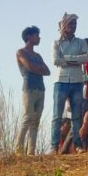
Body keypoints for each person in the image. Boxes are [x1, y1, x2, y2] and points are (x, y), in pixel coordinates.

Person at [51, 13, 88, 153]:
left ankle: (78, 145)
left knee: (77, 115)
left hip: (77, 81)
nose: (73, 27)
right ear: (64, 26)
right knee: (57, 115)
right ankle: (54, 146)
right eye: (71, 24)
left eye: (75, 24)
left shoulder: (81, 42)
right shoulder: (56, 43)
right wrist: (75, 60)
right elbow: (55, 61)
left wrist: (66, 59)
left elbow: (85, 58)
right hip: (61, 81)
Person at [15, 26, 50, 155]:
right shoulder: (21, 52)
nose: (39, 38)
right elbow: (29, 67)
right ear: (29, 37)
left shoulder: (38, 55)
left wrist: (38, 68)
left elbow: (47, 71)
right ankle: (18, 150)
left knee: (36, 120)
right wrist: (38, 68)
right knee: (27, 118)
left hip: (40, 89)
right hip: (29, 88)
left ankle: (31, 152)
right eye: (36, 35)